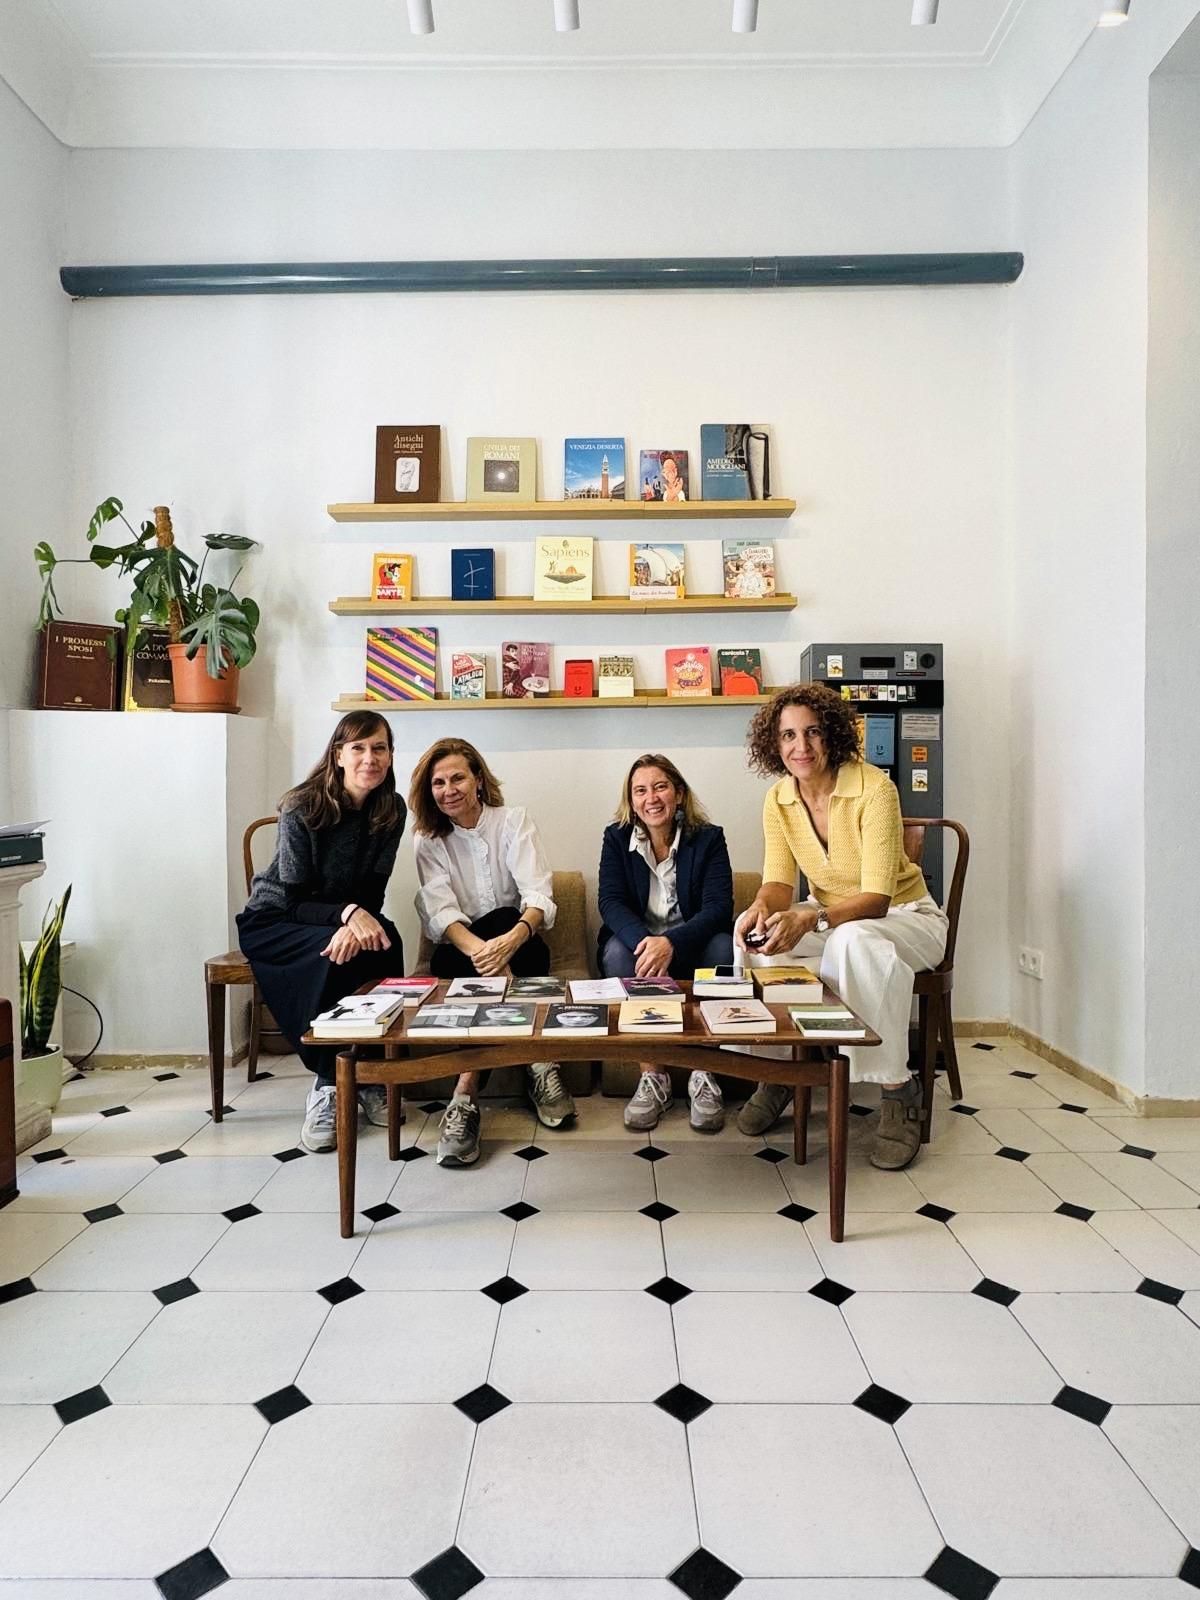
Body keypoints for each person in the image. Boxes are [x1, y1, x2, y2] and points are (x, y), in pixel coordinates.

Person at [735, 684, 949, 1170]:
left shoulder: (874, 788)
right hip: (833, 919)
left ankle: (897, 1087)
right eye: (788, 735)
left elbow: (876, 899)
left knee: (854, 940)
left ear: (831, 735)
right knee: (762, 944)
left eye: (812, 732)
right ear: (774, 744)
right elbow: (777, 882)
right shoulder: (778, 799)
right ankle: (785, 1068)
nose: (801, 746)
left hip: (905, 918)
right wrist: (761, 909)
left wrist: (814, 915)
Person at [237, 712, 407, 1153]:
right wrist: (348, 916)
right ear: (338, 755)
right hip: (275, 921)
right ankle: (329, 1080)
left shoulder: (392, 809)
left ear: (390, 756)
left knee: (389, 943)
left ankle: (370, 1074)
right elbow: (293, 898)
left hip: (342, 918)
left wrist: (356, 920)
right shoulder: (302, 805)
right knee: (332, 956)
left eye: (380, 748)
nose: (370, 758)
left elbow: (374, 889)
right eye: (359, 748)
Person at [409, 738, 575, 1166]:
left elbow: (538, 895)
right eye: (439, 782)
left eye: (458, 777)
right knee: (480, 942)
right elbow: (441, 912)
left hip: (521, 946)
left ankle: (464, 1096)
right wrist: (485, 953)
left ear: (478, 779)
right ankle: (538, 1063)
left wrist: (510, 939)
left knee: (505, 916)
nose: (449, 789)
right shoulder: (428, 839)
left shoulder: (513, 821)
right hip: (460, 954)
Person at [598, 754, 734, 1132]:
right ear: (631, 799)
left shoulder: (708, 839)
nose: (651, 798)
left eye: (659, 787)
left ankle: (704, 1073)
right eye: (640, 790)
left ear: (678, 793)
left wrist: (670, 942)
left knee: (724, 949)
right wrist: (646, 942)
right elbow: (610, 902)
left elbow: (720, 908)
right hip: (639, 946)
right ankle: (653, 1076)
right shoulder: (616, 837)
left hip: (691, 944)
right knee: (615, 952)